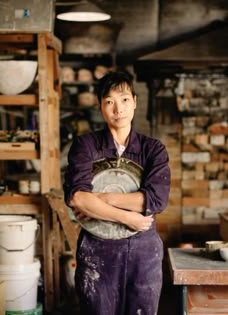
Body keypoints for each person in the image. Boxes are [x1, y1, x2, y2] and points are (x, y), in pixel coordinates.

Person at [63, 71, 170, 315]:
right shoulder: (86, 146)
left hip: (143, 252)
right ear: (101, 107)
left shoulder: (152, 149)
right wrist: (128, 217)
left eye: (123, 99)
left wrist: (101, 198)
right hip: (97, 249)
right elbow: (77, 198)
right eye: (109, 101)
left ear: (134, 101)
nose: (117, 108)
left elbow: (155, 200)